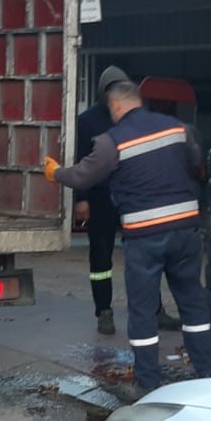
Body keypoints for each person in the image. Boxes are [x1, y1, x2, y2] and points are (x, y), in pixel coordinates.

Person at [47, 79, 211, 395]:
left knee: (142, 311)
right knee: (193, 303)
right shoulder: (177, 128)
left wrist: (55, 173)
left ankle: (148, 383)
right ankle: (205, 372)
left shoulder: (112, 141)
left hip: (146, 236)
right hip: (185, 230)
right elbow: (196, 164)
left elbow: (83, 175)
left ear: (116, 106)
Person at [74, 66, 129, 335]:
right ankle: (104, 311)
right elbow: (80, 161)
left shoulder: (132, 118)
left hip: (131, 196)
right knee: (101, 257)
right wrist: (81, 199)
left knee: (143, 255)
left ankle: (154, 309)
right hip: (99, 198)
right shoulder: (86, 121)